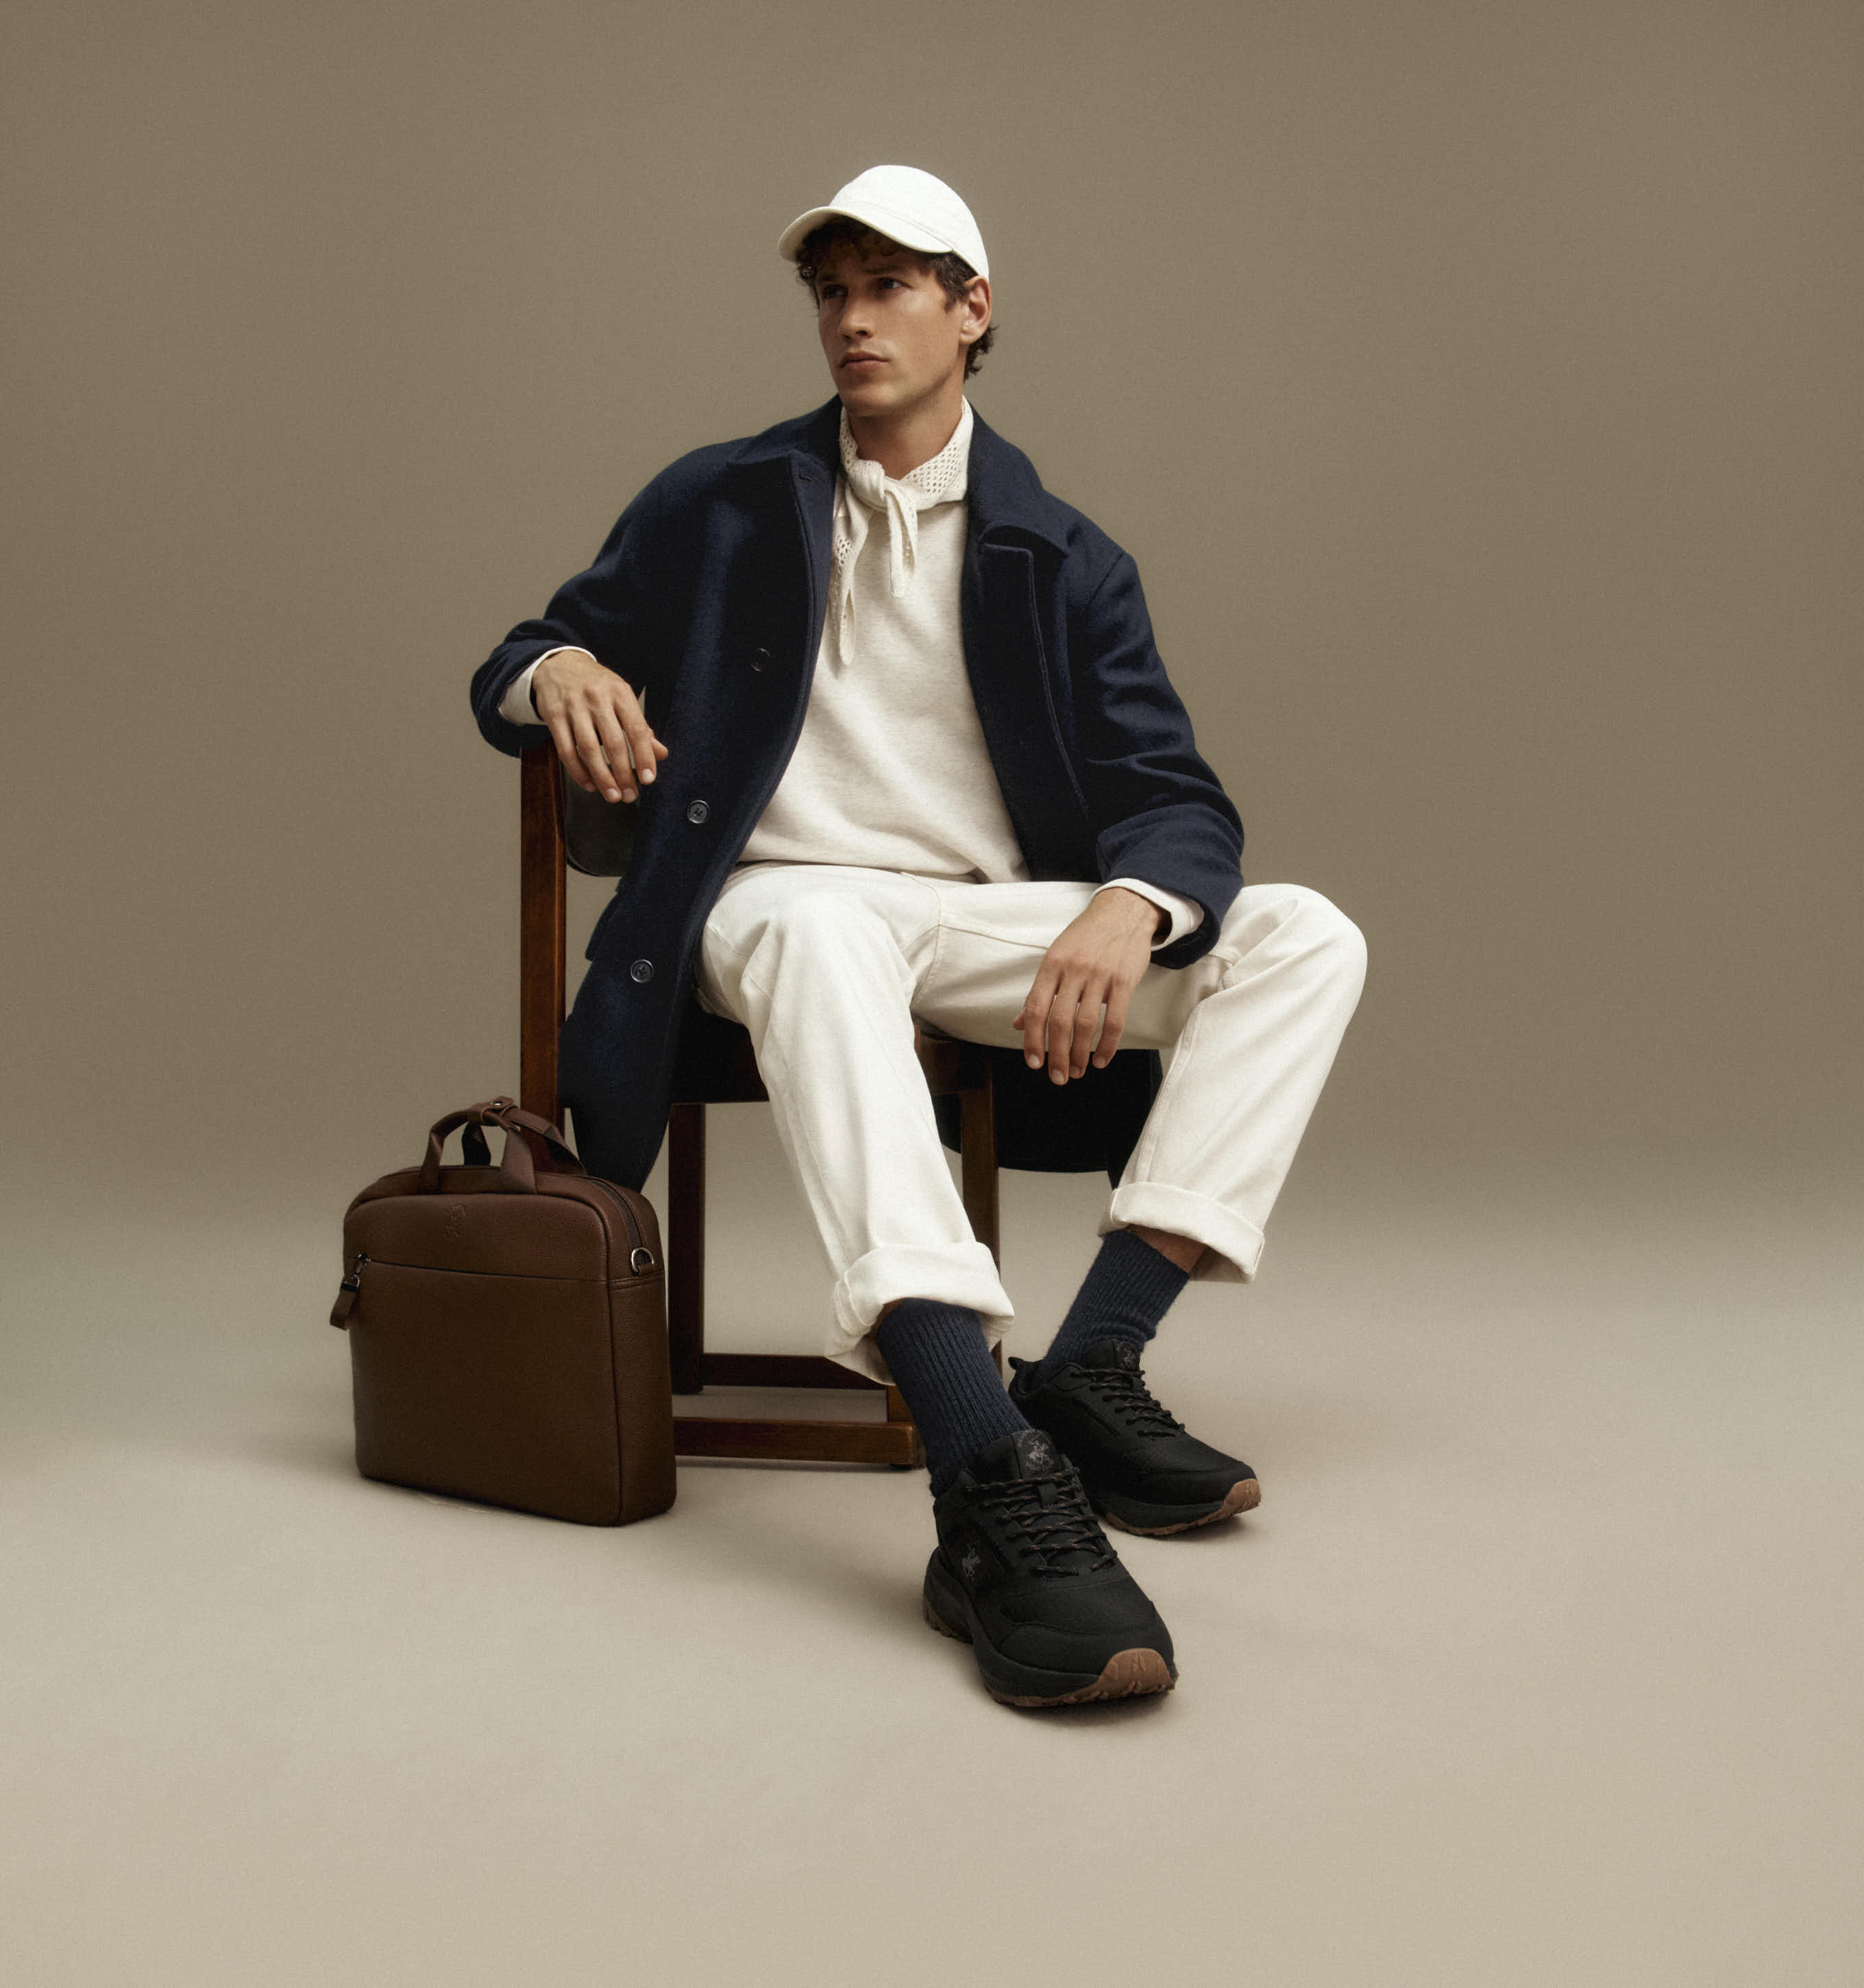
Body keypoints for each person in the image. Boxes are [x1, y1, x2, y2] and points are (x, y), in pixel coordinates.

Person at [470, 166, 1366, 1708]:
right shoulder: (719, 498)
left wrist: (1130, 905)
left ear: (973, 308)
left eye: (890, 284)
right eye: (832, 290)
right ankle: (983, 1458)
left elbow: (1175, 796)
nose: (852, 318)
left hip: (971, 918)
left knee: (1300, 934)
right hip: (768, 904)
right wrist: (552, 670)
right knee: (821, 921)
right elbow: (524, 646)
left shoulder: (1064, 555)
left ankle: (1090, 1365)